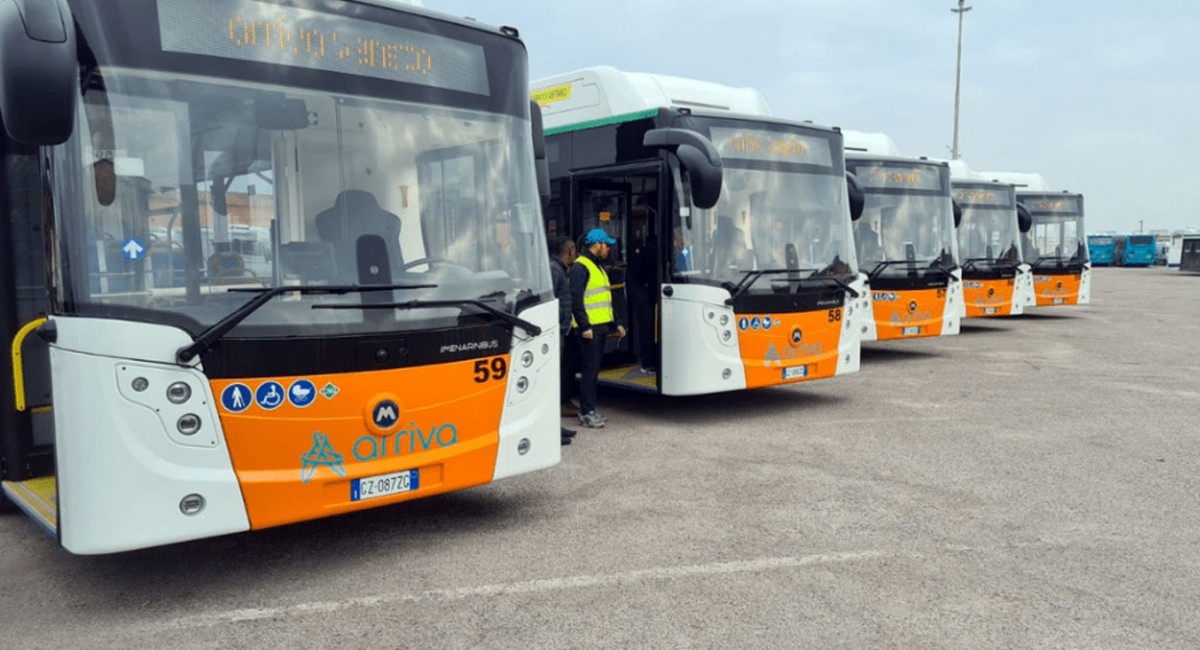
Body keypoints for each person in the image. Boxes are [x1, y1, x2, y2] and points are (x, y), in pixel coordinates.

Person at [570, 228, 626, 428]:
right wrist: (584, 325)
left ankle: (589, 409)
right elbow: (576, 300)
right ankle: (587, 412)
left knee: (593, 370)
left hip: (599, 326)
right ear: (597, 244)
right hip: (589, 328)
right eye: (606, 245)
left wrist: (616, 322)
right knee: (590, 371)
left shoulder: (597, 266)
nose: (608, 248)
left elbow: (605, 299)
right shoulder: (581, 267)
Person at [549, 235, 578, 445]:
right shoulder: (555, 270)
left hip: (560, 329)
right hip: (554, 330)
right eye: (574, 251)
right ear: (569, 251)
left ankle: (555, 428)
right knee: (551, 382)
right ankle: (551, 432)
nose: (575, 255)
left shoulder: (559, 269)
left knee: (554, 380)